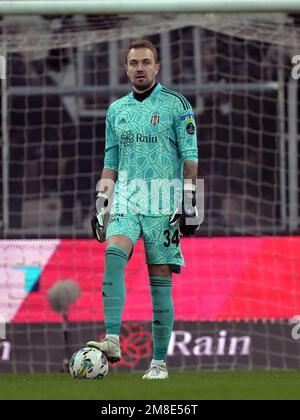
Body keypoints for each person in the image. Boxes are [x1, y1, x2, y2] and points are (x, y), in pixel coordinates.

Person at [88, 40, 199, 379]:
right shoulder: (116, 110)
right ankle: (111, 339)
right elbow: (111, 160)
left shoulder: (176, 104)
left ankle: (159, 363)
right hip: (127, 195)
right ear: (125, 68)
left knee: (159, 280)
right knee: (113, 253)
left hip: (163, 199)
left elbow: (190, 157)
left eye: (146, 62)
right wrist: (102, 202)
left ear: (157, 67)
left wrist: (191, 204)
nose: (140, 67)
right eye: (134, 62)